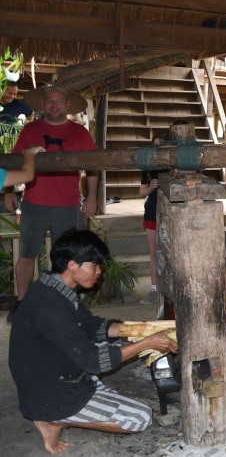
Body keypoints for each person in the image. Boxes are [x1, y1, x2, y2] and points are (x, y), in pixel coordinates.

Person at [9, 229, 178, 455]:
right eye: (94, 265)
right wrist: (146, 343)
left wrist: (140, 329)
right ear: (72, 265)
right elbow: (93, 362)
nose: (99, 271)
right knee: (141, 417)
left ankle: (78, 403)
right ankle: (55, 420)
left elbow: (89, 325)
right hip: (51, 392)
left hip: (55, 371)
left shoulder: (55, 287)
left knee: (113, 347)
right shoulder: (51, 307)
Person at [4, 87, 97, 322]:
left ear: (67, 105)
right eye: (50, 101)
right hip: (34, 202)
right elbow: (14, 161)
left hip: (67, 204)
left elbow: (93, 167)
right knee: (27, 254)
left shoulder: (80, 132)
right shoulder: (31, 129)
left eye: (59, 101)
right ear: (43, 104)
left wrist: (92, 196)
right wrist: (8, 192)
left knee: (66, 258)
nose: (55, 105)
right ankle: (22, 302)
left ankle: (63, 304)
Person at [139, 131, 170, 305]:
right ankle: (154, 289)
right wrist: (150, 187)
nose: (157, 149)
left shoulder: (175, 164)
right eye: (155, 145)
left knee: (171, 252)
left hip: (170, 213)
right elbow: (141, 192)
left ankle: (172, 289)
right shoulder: (148, 166)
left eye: (161, 145)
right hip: (152, 211)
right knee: (153, 253)